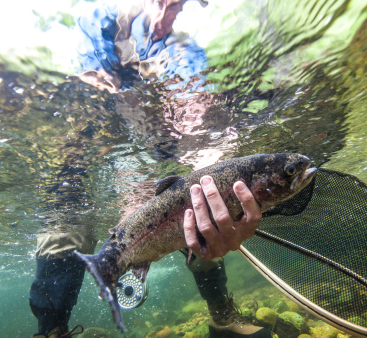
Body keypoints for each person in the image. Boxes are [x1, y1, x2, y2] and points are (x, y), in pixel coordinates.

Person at [29, 1, 273, 337]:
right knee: (65, 230)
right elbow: (93, 97)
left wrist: (211, 166)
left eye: (182, 4)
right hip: (93, 146)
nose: (169, 14)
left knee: (201, 211)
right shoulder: (97, 21)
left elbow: (195, 105)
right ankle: (52, 332)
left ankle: (221, 316)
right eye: (163, 1)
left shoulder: (184, 49)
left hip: (157, 146)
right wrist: (131, 193)